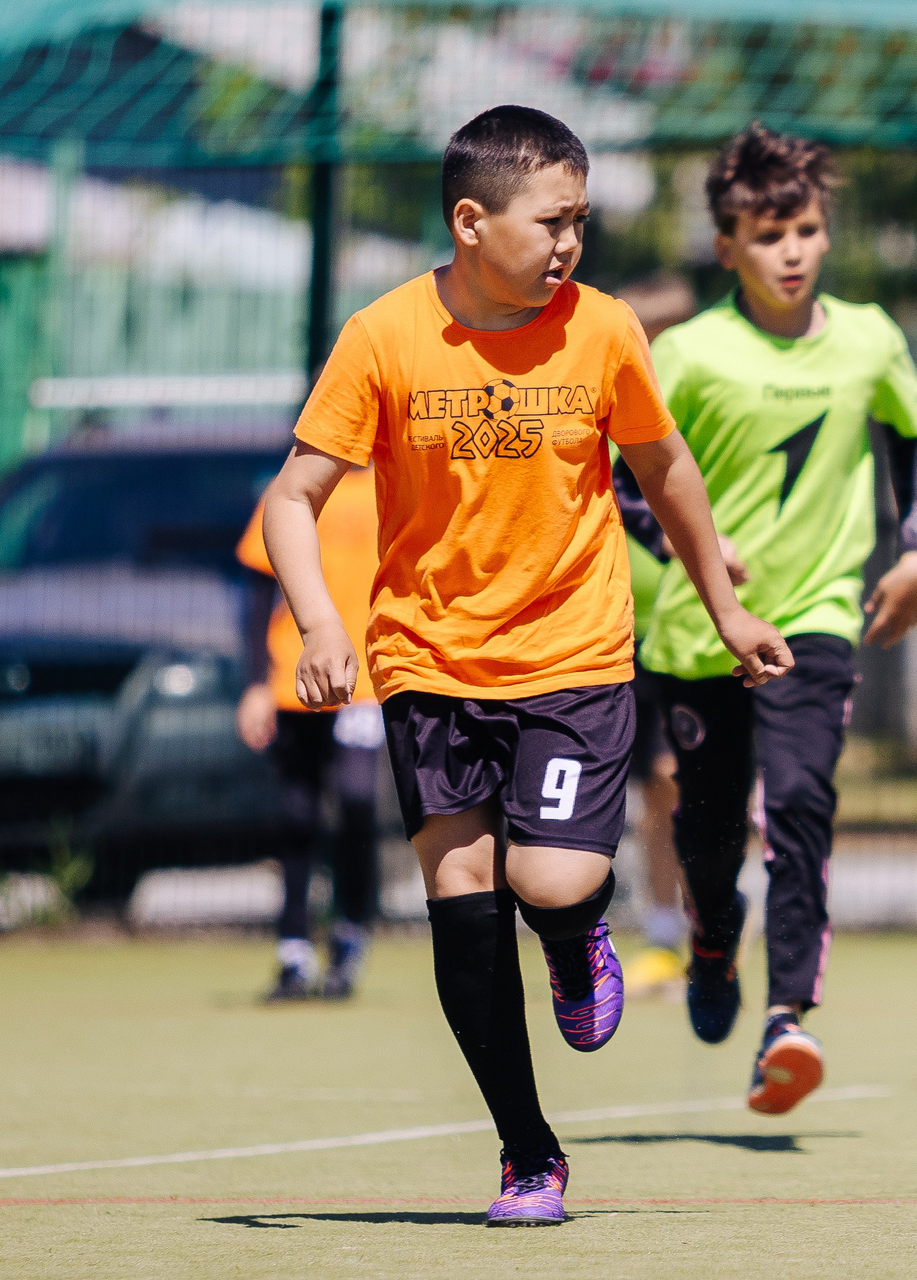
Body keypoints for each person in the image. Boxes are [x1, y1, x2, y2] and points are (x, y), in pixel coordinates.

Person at [262, 105, 791, 1227]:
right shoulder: (383, 336)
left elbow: (666, 469)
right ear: (471, 221)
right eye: (552, 221)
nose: (571, 242)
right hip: (427, 661)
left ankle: (573, 936)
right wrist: (320, 626)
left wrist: (727, 607)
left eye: (580, 220)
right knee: (460, 895)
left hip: (572, 654)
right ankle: (527, 1153)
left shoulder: (602, 329)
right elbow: (293, 497)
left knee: (547, 882)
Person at [635, 123, 917, 1115]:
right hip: (700, 631)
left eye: (806, 229)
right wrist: (696, 550)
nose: (793, 251)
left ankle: (787, 1020)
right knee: (710, 830)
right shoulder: (686, 354)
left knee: (802, 799)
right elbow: (620, 478)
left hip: (816, 615)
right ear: (728, 246)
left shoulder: (870, 338)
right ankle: (711, 938)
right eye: (768, 236)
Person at [234, 464, 379, 1002]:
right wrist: (254, 684)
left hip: (365, 682)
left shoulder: (391, 481)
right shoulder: (295, 484)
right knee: (297, 814)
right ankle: (293, 949)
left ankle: (350, 934)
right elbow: (256, 591)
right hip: (294, 679)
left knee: (357, 803)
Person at [613, 274, 704, 996]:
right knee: (652, 788)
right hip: (620, 631)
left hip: (696, 627)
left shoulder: (697, 413)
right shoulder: (600, 410)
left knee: (684, 778)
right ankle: (664, 931)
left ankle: (710, 926)